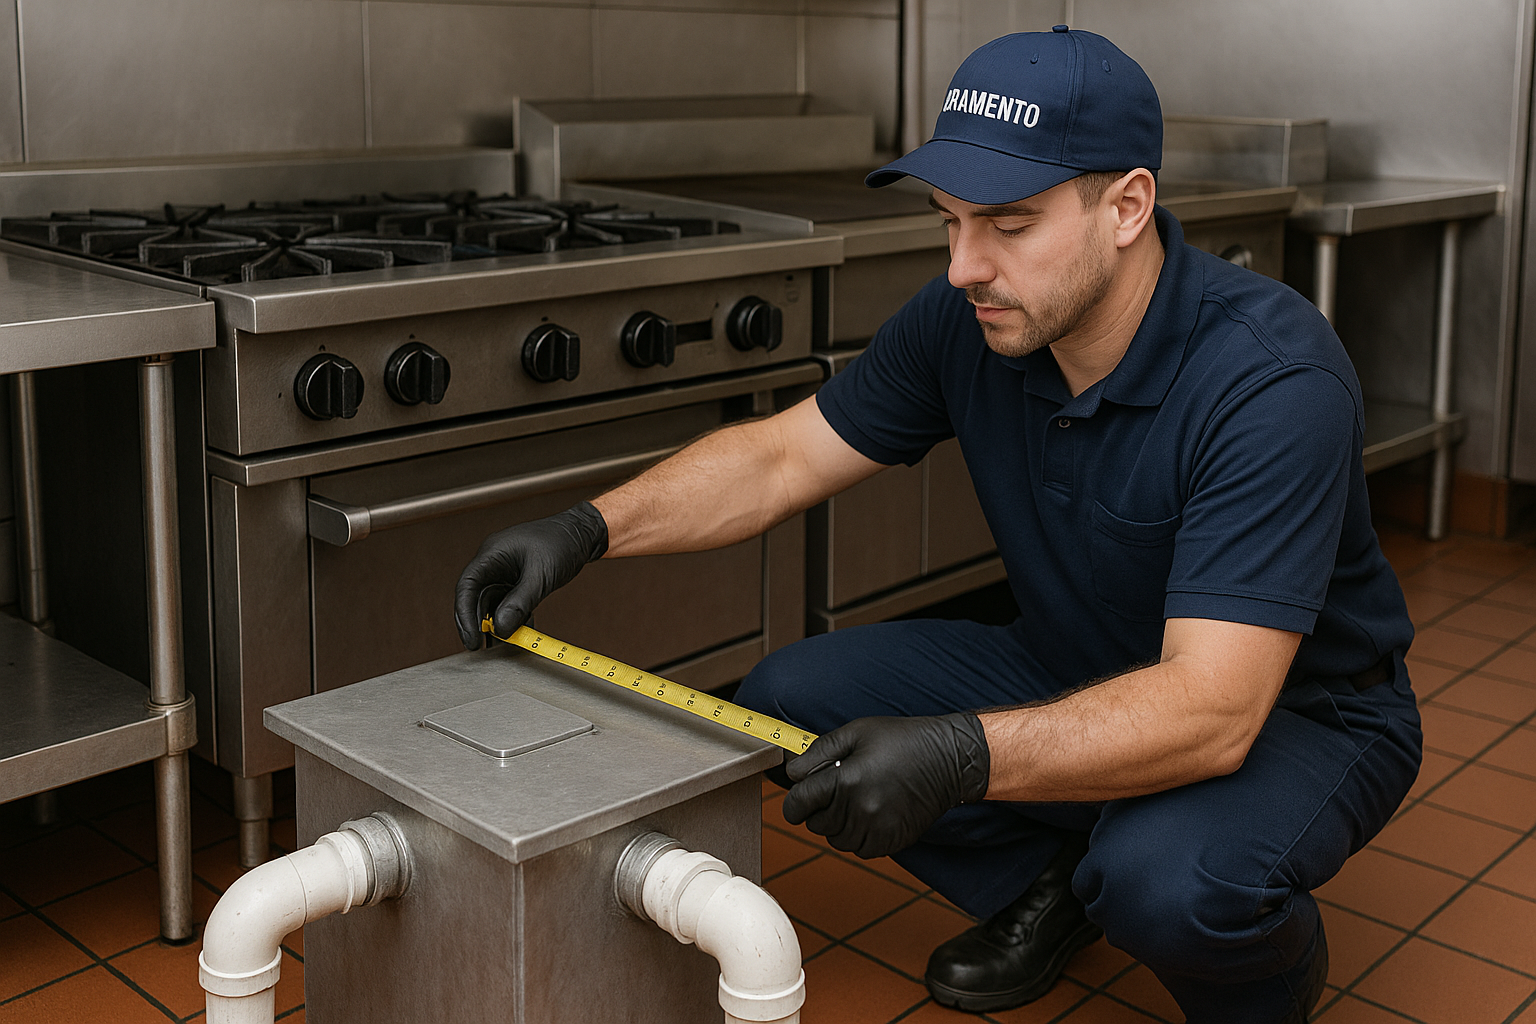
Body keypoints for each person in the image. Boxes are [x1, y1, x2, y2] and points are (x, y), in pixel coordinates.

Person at [454, 26, 1422, 1024]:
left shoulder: (1269, 381)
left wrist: (963, 754)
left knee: (1167, 883)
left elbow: (1213, 710)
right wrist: (584, 528)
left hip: (1294, 714)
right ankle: (1045, 887)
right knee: (794, 698)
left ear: (1127, 205)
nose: (964, 266)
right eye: (948, 221)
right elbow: (781, 456)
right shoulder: (971, 317)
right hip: (1080, 659)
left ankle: (1267, 982)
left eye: (1008, 223)